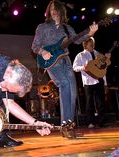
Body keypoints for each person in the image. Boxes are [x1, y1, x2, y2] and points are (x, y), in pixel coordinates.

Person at [31, 0, 98, 138]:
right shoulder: (42, 27)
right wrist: (43, 52)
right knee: (64, 84)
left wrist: (90, 33)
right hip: (51, 61)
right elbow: (35, 46)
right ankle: (65, 126)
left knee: (72, 91)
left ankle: (68, 125)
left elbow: (78, 40)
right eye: (51, 9)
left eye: (56, 8)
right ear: (48, 11)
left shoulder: (67, 28)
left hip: (66, 60)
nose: (53, 11)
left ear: (61, 10)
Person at [73, 37, 111, 128]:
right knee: (89, 103)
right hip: (88, 82)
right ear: (85, 44)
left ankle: (101, 122)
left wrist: (105, 83)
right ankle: (90, 122)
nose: (92, 45)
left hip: (99, 81)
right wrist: (83, 68)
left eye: (93, 44)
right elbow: (74, 67)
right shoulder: (81, 55)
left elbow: (103, 70)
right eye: (90, 44)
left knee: (101, 103)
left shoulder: (98, 54)